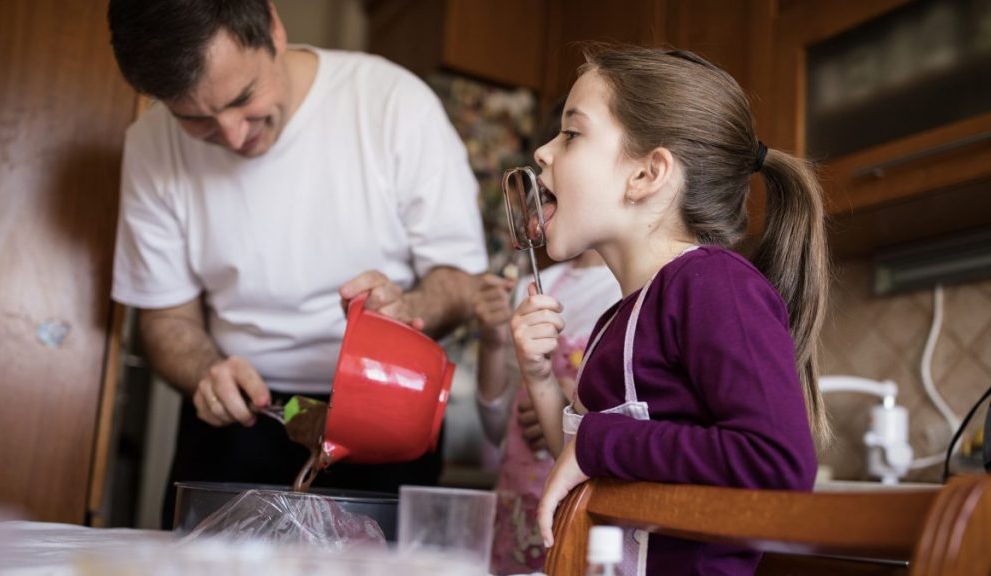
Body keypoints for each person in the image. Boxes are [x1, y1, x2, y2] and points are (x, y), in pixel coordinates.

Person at [106, 0, 487, 528]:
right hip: (239, 419)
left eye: (244, 99)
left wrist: (409, 307)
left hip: (387, 407)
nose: (235, 136)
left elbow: (463, 281)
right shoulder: (150, 148)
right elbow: (166, 319)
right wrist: (205, 372)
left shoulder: (390, 103)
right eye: (195, 120)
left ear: (273, 28)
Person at [511, 45, 830, 576]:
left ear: (646, 175)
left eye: (571, 134)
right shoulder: (619, 318)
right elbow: (583, 465)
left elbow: (779, 464)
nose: (543, 152)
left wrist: (599, 442)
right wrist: (541, 379)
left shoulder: (713, 285)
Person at [474, 250, 620, 575]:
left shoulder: (631, 289)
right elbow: (497, 428)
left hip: (580, 509)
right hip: (519, 511)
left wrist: (578, 404)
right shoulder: (536, 288)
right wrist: (493, 343)